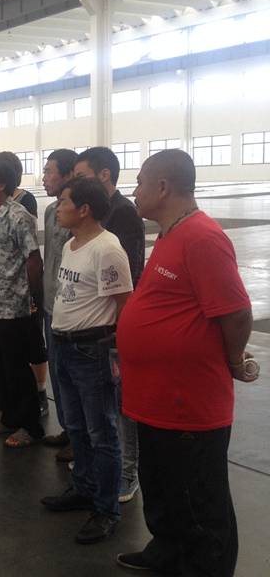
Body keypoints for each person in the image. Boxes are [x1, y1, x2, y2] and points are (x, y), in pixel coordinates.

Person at [115, 150, 252, 576]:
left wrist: (234, 359)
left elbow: (236, 312)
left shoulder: (203, 238)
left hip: (188, 403)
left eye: (140, 182)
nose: (134, 191)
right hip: (156, 399)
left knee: (199, 501)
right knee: (163, 487)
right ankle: (167, 551)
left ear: (162, 187)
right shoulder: (170, 234)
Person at [40, 177, 132, 545]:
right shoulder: (71, 244)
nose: (58, 208)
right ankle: (84, 488)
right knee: (76, 427)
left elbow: (124, 305)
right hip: (63, 345)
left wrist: (118, 354)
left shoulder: (107, 250)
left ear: (84, 209)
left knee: (102, 433)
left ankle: (107, 509)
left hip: (92, 351)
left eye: (64, 202)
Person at [74, 147, 146, 504]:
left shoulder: (123, 213)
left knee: (123, 403)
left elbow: (128, 275)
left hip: (113, 323)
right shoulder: (93, 213)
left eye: (81, 176)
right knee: (102, 403)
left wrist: (119, 327)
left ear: (104, 175)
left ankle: (128, 473)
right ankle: (101, 466)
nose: (75, 184)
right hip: (92, 324)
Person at [0, 160, 45, 447]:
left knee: (16, 368)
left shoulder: (18, 216)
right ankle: (10, 417)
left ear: (0, 185)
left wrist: (33, 298)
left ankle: (30, 425)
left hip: (12, 305)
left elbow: (33, 259)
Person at [40, 149, 79, 462]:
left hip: (72, 306)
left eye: (49, 171)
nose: (44, 177)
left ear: (68, 175)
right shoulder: (51, 210)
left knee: (74, 374)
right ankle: (68, 427)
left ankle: (79, 437)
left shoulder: (79, 214)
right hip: (49, 302)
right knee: (56, 369)